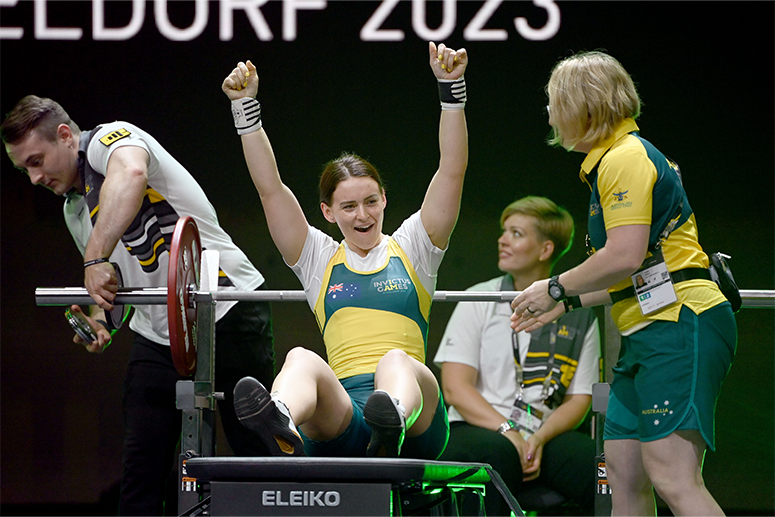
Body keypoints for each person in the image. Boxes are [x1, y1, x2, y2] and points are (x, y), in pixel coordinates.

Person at [1, 97, 276, 516]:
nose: (35, 177)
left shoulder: (114, 140)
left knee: (252, 456)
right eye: (25, 170)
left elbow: (131, 173)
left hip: (225, 308)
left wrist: (93, 259)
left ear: (64, 135)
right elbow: (118, 282)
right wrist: (101, 319)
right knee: (140, 470)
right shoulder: (75, 210)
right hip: (158, 335)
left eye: (37, 161)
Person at [510, 51, 737, 516]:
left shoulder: (626, 159)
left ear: (583, 106)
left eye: (555, 102)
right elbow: (631, 273)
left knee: (673, 476)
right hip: (647, 329)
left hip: (679, 322)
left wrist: (554, 287)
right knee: (624, 476)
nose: (550, 113)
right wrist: (568, 302)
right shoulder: (613, 160)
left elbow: (624, 255)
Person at [220, 41, 467, 459]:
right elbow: (270, 191)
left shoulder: (414, 246)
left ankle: (392, 421)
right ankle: (279, 416)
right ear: (328, 212)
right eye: (349, 206)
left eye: (371, 202)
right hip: (348, 417)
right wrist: (245, 110)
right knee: (300, 357)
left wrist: (452, 89)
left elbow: (452, 170)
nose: (362, 215)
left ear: (385, 200)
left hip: (419, 420)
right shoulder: (319, 259)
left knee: (396, 360)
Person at [435, 196, 599, 516]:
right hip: (481, 427)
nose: (502, 240)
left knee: (605, 465)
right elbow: (455, 388)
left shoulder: (577, 313)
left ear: (545, 249)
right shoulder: (478, 298)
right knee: (498, 454)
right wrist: (508, 429)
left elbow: (580, 401)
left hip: (543, 435)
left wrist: (537, 438)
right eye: (504, 231)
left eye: (516, 233)